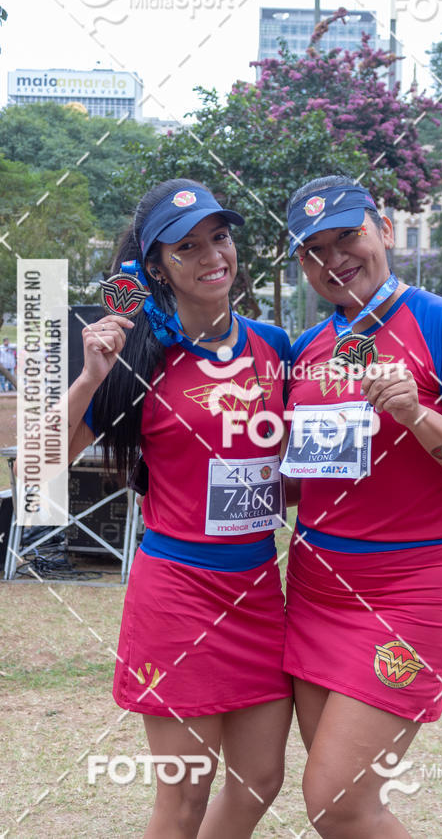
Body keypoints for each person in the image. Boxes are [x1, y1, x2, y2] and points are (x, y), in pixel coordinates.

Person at [281, 175, 442, 838]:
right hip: (314, 590)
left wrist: (419, 416)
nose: (333, 260)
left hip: (411, 591)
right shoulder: (306, 351)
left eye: (347, 237)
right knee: (341, 807)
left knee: (337, 801)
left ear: (382, 229)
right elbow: (305, 483)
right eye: (313, 250)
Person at [67, 179, 293, 839]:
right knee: (183, 803)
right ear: (156, 266)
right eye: (186, 247)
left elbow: (302, 466)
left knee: (260, 782)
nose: (210, 256)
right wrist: (88, 378)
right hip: (178, 599)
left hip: (258, 592)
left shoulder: (274, 346)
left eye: (218, 238)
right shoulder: (136, 357)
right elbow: (42, 461)